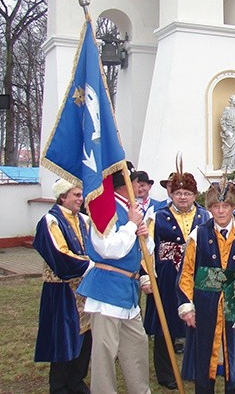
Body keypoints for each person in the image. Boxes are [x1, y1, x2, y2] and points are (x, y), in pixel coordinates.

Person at [177, 181, 235, 393]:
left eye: (225, 206)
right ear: (209, 208)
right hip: (205, 306)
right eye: (216, 207)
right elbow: (187, 273)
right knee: (204, 359)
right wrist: (187, 305)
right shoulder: (198, 235)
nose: (220, 211)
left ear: (233, 207)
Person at [76, 166, 152, 394]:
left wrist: (144, 236)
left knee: (137, 346)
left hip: (128, 291)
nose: (138, 186)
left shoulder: (132, 209)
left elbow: (143, 251)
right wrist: (130, 225)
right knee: (104, 354)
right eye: (134, 180)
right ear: (121, 182)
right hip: (107, 290)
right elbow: (107, 248)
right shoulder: (105, 209)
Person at [141, 171, 210, 390]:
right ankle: (166, 373)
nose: (182, 197)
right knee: (166, 326)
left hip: (198, 277)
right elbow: (147, 248)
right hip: (166, 278)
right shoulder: (156, 217)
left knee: (198, 324)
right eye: (178, 193)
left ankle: (195, 368)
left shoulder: (205, 216)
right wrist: (146, 275)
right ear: (171, 194)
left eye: (187, 193)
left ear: (195, 194)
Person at [33, 179, 93, 394]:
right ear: (63, 197)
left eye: (80, 195)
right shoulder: (50, 221)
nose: (80, 199)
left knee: (85, 337)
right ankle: (59, 386)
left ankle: (76, 381)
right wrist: (90, 264)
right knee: (62, 339)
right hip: (61, 291)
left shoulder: (84, 220)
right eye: (76, 195)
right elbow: (59, 255)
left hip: (84, 290)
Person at [220, 94, 235, 172]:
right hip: (229, 132)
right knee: (228, 149)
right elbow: (222, 121)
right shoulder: (227, 109)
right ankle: (225, 167)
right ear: (231, 100)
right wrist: (225, 130)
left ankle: (232, 166)